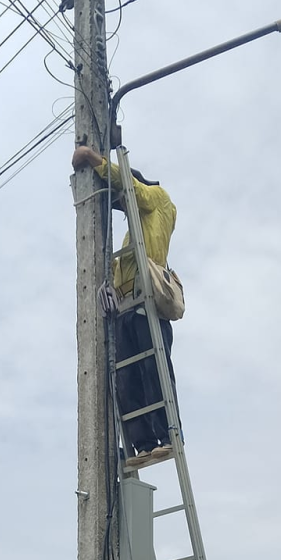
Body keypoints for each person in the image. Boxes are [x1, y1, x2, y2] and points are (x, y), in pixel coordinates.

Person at [71, 144, 178, 462]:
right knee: (127, 378)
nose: (122, 204)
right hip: (128, 308)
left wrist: (96, 161)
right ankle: (144, 443)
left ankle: (169, 433)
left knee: (152, 371)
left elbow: (132, 189)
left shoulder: (159, 199)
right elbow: (123, 266)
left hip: (147, 303)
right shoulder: (134, 237)